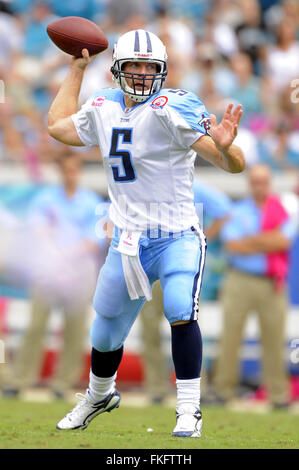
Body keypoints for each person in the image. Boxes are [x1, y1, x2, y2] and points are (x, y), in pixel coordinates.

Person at [48, 29, 245, 437]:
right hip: (127, 238)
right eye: (134, 65)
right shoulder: (102, 105)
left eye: (149, 66)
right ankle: (99, 394)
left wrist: (225, 147)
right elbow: (58, 128)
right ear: (117, 69)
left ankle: (189, 408)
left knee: (178, 306)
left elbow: (233, 165)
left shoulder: (173, 106)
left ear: (163, 70)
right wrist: (76, 68)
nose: (141, 73)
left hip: (176, 233)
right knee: (104, 330)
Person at [3, 151, 106, 399]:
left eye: (74, 170)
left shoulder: (90, 201)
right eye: (66, 170)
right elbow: (39, 229)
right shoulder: (46, 199)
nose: (70, 175)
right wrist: (54, 253)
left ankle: (63, 382)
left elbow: (95, 239)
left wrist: (69, 254)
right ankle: (21, 379)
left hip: (78, 271)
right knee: (37, 325)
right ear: (61, 172)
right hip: (49, 269)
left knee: (74, 329)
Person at [140, 180, 231, 404]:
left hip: (180, 266)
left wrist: (202, 238)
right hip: (151, 268)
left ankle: (195, 389)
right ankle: (156, 388)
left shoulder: (194, 188)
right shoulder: (147, 184)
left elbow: (225, 211)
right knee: (150, 329)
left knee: (186, 324)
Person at [213, 164, 295, 408]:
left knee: (273, 339)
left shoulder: (281, 211)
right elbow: (232, 244)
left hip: (271, 281)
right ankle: (223, 390)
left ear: (269, 183)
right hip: (240, 279)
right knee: (230, 336)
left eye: (263, 181)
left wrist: (252, 240)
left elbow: (283, 242)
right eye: (255, 181)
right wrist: (267, 240)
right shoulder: (237, 210)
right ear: (250, 183)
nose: (259, 186)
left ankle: (278, 395)